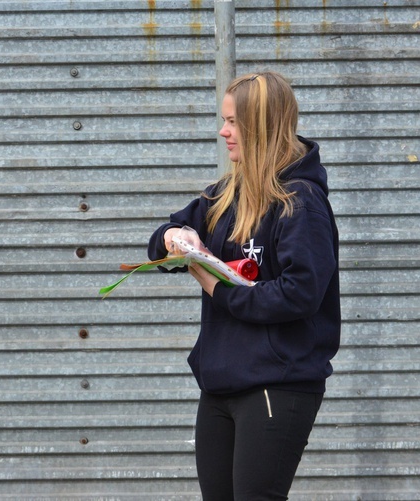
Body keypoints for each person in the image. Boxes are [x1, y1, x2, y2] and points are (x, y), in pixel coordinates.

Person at [147, 71, 340, 499]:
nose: (223, 131)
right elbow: (159, 240)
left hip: (278, 384)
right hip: (220, 384)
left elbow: (299, 293)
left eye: (232, 122)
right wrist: (174, 237)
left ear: (260, 127)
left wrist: (221, 290)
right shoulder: (225, 196)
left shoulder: (301, 202)